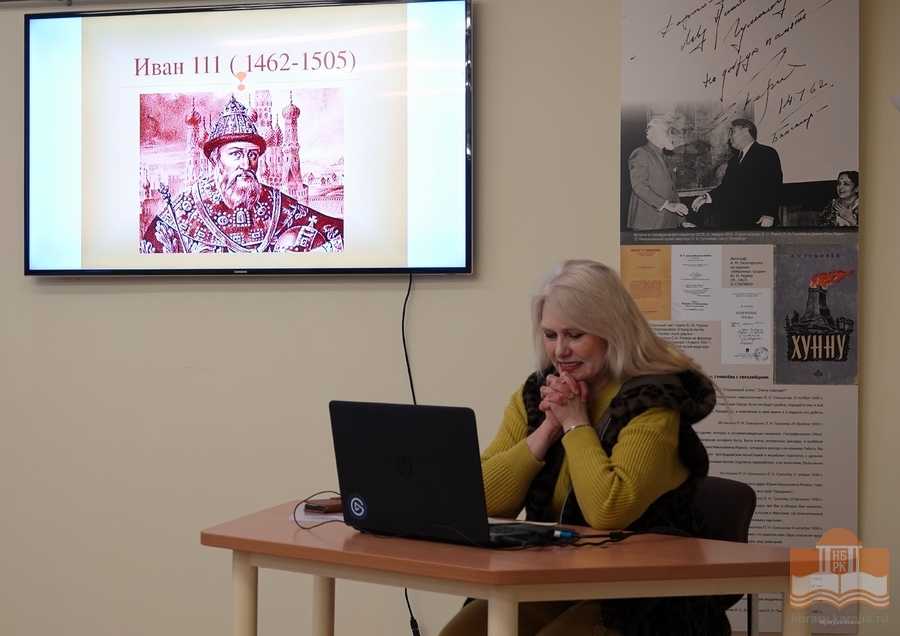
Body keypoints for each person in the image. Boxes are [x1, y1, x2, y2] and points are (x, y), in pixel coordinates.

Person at [439, 260, 731, 636]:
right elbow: (477, 501)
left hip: (639, 591)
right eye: (550, 335)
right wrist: (547, 429)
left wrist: (576, 424)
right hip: (550, 575)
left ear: (612, 331)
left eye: (575, 335)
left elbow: (608, 509)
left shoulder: (652, 401)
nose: (560, 350)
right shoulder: (537, 394)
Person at [141, 96, 344, 254]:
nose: (246, 164)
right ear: (216, 158)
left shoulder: (278, 204)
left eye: (253, 155)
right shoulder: (182, 211)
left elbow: (340, 234)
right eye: (236, 154)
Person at [690, 118, 783, 230]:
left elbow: (774, 185)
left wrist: (769, 214)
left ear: (745, 131)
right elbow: (726, 188)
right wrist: (707, 197)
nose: (730, 137)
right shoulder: (734, 161)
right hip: (734, 222)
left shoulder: (766, 153)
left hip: (759, 222)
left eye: (732, 132)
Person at [626, 118, 690, 230]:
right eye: (667, 132)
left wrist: (681, 221)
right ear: (655, 134)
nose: (671, 136)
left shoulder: (666, 159)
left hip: (668, 223)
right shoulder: (641, 153)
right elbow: (639, 186)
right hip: (648, 224)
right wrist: (667, 205)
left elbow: (672, 190)